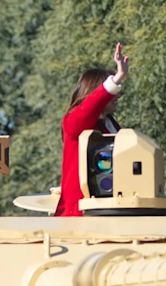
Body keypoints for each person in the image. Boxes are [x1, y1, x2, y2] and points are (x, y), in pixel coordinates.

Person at [54, 42, 129, 217]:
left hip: (108, 208)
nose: (117, 96)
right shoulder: (75, 122)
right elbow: (88, 110)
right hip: (81, 214)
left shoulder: (110, 124)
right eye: (112, 91)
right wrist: (116, 79)